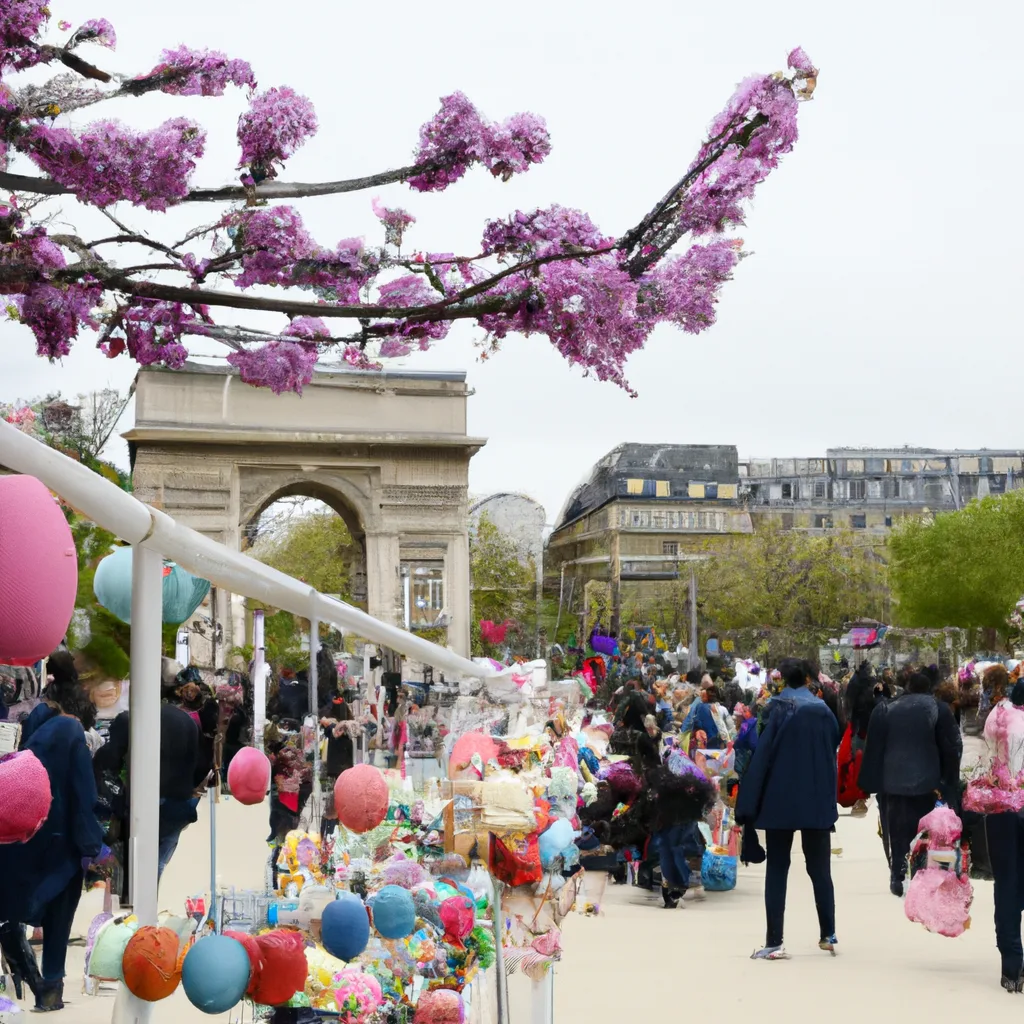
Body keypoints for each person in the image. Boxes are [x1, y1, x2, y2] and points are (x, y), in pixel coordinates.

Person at [0, 652, 104, 1011]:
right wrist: (94, 846)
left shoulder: (34, 723)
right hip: (61, 838)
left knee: (17, 905)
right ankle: (50, 988)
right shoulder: (72, 732)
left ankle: (28, 975)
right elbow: (83, 793)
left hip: (25, 830)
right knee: (60, 916)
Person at [736, 657, 840, 960]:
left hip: (779, 797)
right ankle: (828, 933)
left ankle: (774, 940)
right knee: (820, 868)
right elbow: (832, 742)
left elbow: (760, 751)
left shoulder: (775, 708)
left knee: (778, 868)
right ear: (808, 679)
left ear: (782, 679)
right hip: (817, 798)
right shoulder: (822, 710)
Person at [858, 671, 962, 897]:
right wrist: (949, 781)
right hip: (929, 782)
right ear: (930, 688)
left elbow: (873, 748)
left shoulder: (885, 709)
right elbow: (952, 747)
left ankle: (897, 873)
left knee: (896, 830)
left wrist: (869, 784)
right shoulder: (939, 709)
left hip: (892, 781)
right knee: (927, 832)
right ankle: (922, 874)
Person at [94, 690, 205, 881]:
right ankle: (149, 904)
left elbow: (108, 760)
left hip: (145, 806)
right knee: (157, 867)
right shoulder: (188, 722)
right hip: (179, 807)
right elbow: (202, 767)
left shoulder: (130, 719)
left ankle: (136, 906)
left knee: (133, 870)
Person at [980, 664, 1024, 992]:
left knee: (1006, 883)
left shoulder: (995, 718)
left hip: (999, 807)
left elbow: (987, 764)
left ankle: (1011, 965)